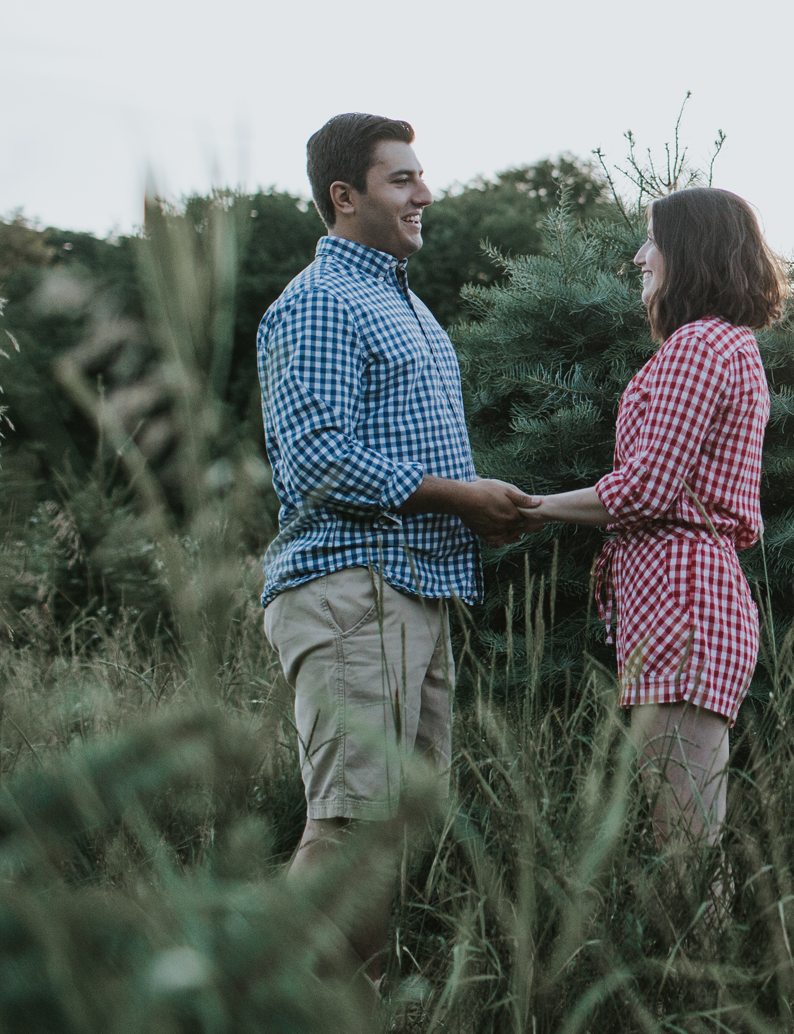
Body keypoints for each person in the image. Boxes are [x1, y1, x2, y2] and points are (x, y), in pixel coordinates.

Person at [256, 112, 535, 983]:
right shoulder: (318, 301)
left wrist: (477, 505)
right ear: (345, 197)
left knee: (401, 820)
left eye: (420, 176)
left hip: (415, 584)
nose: (426, 193)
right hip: (351, 587)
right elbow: (317, 459)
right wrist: (460, 496)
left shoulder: (400, 300)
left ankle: (347, 1000)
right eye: (401, 179)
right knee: (352, 823)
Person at [520, 187, 782, 853]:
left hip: (684, 603)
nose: (641, 256)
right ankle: (702, 954)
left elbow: (647, 488)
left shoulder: (699, 346)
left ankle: (701, 958)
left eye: (653, 241)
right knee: (688, 833)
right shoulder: (725, 344)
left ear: (689, 251)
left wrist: (533, 508)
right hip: (684, 598)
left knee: (685, 843)